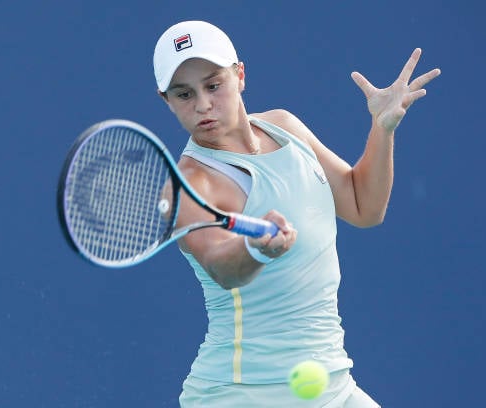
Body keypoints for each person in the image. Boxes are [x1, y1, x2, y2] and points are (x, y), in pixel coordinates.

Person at [153, 20, 440, 407]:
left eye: (213, 85)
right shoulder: (190, 184)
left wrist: (382, 128)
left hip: (332, 386)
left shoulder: (285, 127)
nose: (202, 104)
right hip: (241, 396)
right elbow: (221, 266)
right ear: (166, 101)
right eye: (184, 94)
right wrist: (257, 250)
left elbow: (363, 206)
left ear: (240, 75)